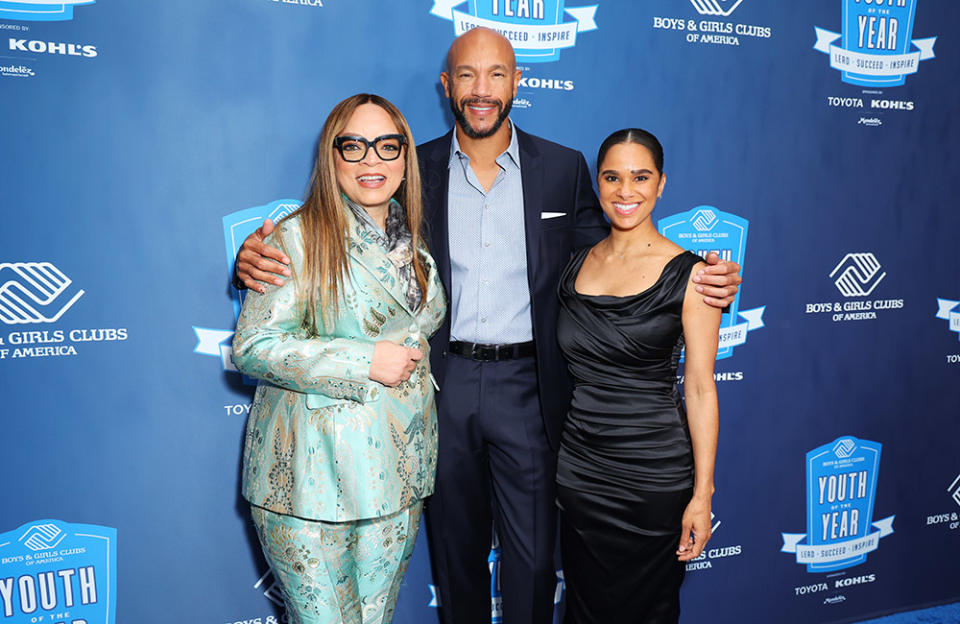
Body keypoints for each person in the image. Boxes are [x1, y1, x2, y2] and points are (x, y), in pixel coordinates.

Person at [234, 29, 741, 624]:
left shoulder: (563, 167)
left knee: (531, 560)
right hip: (436, 387)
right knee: (455, 554)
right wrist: (252, 256)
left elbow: (613, 254)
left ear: (516, 82)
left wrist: (696, 279)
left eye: (497, 74)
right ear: (446, 86)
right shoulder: (407, 167)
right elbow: (340, 230)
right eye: (467, 76)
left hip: (528, 387)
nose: (482, 90)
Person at [231, 93, 447, 624]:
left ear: (405, 158)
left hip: (398, 473)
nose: (371, 160)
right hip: (311, 478)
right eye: (354, 146)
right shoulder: (294, 237)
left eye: (386, 146)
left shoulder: (410, 238)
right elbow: (252, 348)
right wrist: (362, 360)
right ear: (332, 156)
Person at [555, 128, 720, 623]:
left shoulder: (694, 274)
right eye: (612, 177)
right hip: (580, 472)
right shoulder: (574, 265)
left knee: (647, 607)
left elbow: (699, 388)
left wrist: (703, 494)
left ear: (662, 184)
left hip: (653, 477)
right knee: (585, 606)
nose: (625, 191)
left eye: (640, 176)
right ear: (597, 184)